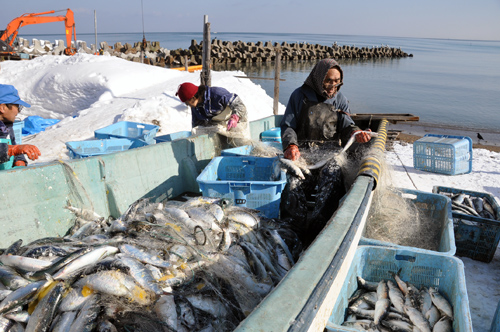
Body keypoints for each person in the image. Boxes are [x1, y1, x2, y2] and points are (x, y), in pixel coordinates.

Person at [279, 59, 372, 242]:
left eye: (337, 81)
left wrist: (357, 133)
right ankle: (293, 231)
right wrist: (291, 145)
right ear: (318, 77)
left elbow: (348, 127)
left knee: (333, 175)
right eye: (329, 80)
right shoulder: (299, 96)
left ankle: (319, 230)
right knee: (293, 183)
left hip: (329, 153)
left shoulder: (340, 100)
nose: (333, 85)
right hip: (303, 152)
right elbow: (288, 126)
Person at [175, 82, 249, 139]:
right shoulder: (196, 107)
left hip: (235, 123)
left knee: (242, 142)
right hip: (219, 127)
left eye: (187, 103)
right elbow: (197, 124)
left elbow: (240, 105)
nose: (188, 105)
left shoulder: (218, 94)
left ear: (193, 97)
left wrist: (234, 118)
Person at [0, 84, 41, 167]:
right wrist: (12, 150)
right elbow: (13, 149)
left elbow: (15, 147)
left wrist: (19, 161)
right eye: (17, 106)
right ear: (2, 107)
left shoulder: (7, 126)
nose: (18, 111)